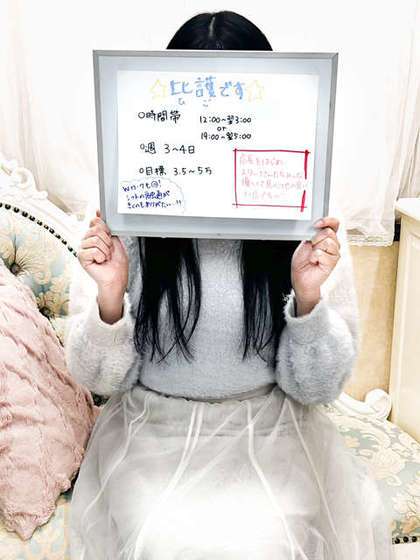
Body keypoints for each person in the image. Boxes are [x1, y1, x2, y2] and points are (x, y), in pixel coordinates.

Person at [65, 11, 394, 560]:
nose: (213, 133)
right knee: (164, 543)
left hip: (271, 430)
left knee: (270, 543)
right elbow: (99, 381)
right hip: (153, 430)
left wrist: (308, 298)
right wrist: (109, 298)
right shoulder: (125, 215)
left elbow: (318, 389)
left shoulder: (308, 219)